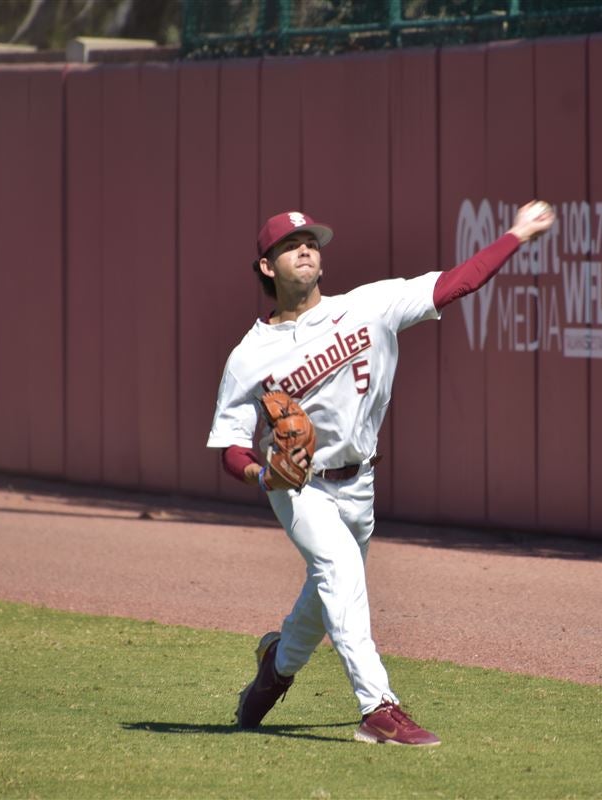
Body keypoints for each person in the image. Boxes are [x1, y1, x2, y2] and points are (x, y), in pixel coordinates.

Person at [207, 201, 556, 746]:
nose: (305, 249)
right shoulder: (249, 355)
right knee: (342, 573)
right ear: (268, 268)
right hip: (299, 486)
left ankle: (274, 668)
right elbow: (229, 444)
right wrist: (260, 475)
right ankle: (378, 708)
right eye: (290, 246)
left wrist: (515, 235)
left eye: (312, 243)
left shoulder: (370, 305)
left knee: (323, 605)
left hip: (361, 481)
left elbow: (457, 283)